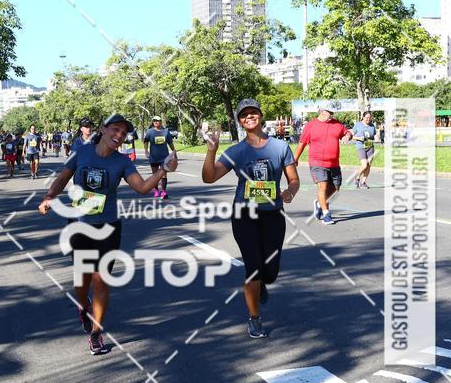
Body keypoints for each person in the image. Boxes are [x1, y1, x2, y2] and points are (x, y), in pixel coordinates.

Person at [38, 114, 178, 355]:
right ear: (103, 130)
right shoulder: (82, 152)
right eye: (115, 130)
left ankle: (96, 332)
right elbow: (63, 178)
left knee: (101, 279)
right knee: (82, 281)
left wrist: (164, 169)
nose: (119, 136)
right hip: (79, 224)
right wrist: (49, 197)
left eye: (123, 133)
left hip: (108, 226)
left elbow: (143, 188)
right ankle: (83, 306)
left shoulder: (122, 162)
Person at [202, 98, 299, 339]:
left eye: (253, 112)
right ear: (239, 121)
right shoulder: (236, 151)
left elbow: (294, 179)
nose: (249, 117)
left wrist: (290, 191)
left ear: (260, 115)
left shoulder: (280, 147)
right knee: (253, 266)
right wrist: (211, 150)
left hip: (273, 215)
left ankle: (263, 283)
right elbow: (209, 177)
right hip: (244, 215)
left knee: (271, 272)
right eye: (244, 115)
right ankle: (254, 318)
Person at [293, 103, 352, 226]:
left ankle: (320, 203)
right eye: (329, 112)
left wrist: (348, 136)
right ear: (322, 111)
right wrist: (295, 159)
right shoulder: (311, 125)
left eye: (332, 113)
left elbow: (347, 133)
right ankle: (326, 214)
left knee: (335, 189)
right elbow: (302, 143)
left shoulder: (337, 124)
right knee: (323, 187)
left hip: (334, 163)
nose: (331, 115)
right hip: (317, 162)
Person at [144, 116, 177, 198]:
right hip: (154, 157)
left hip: (164, 157)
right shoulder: (150, 132)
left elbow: (170, 143)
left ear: (161, 122)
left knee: (164, 175)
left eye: (157, 121)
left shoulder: (166, 131)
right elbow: (146, 141)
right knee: (155, 175)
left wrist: (174, 151)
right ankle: (156, 190)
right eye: (154, 121)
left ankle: (163, 191)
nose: (156, 122)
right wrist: (146, 151)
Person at [352, 111, 376, 188]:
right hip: (361, 147)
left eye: (370, 118)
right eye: (367, 118)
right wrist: (359, 138)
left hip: (370, 147)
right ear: (363, 117)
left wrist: (376, 137)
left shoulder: (372, 126)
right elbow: (351, 136)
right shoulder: (358, 125)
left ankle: (363, 182)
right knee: (364, 165)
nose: (368, 119)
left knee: (368, 165)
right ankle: (357, 177)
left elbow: (373, 136)